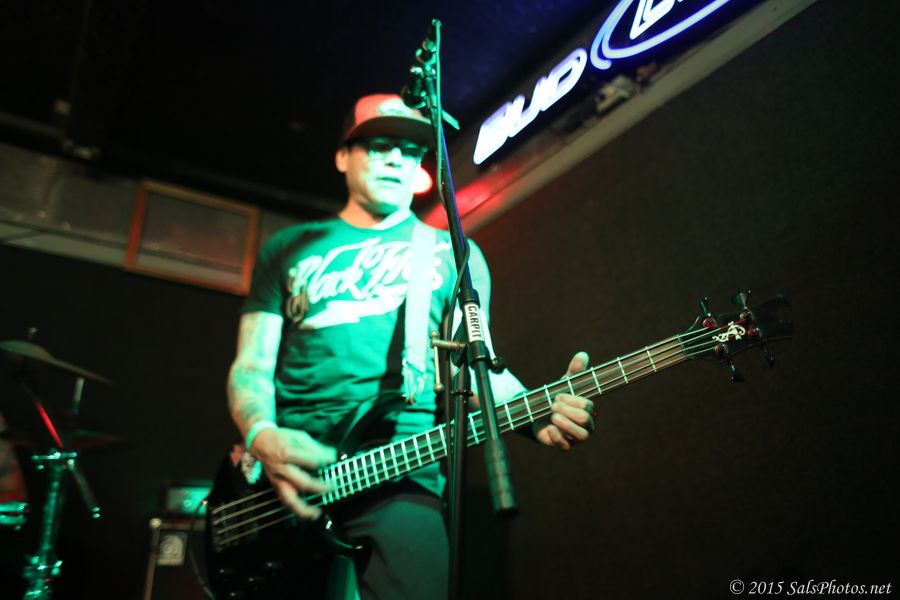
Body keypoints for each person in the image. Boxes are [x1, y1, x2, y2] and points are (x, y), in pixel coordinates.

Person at [226, 93, 595, 599]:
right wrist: (260, 433)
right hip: (290, 470)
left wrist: (534, 409)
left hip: (401, 466)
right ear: (343, 157)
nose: (395, 159)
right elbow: (251, 365)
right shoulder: (289, 248)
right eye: (378, 146)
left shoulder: (449, 253)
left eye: (408, 150)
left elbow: (473, 365)